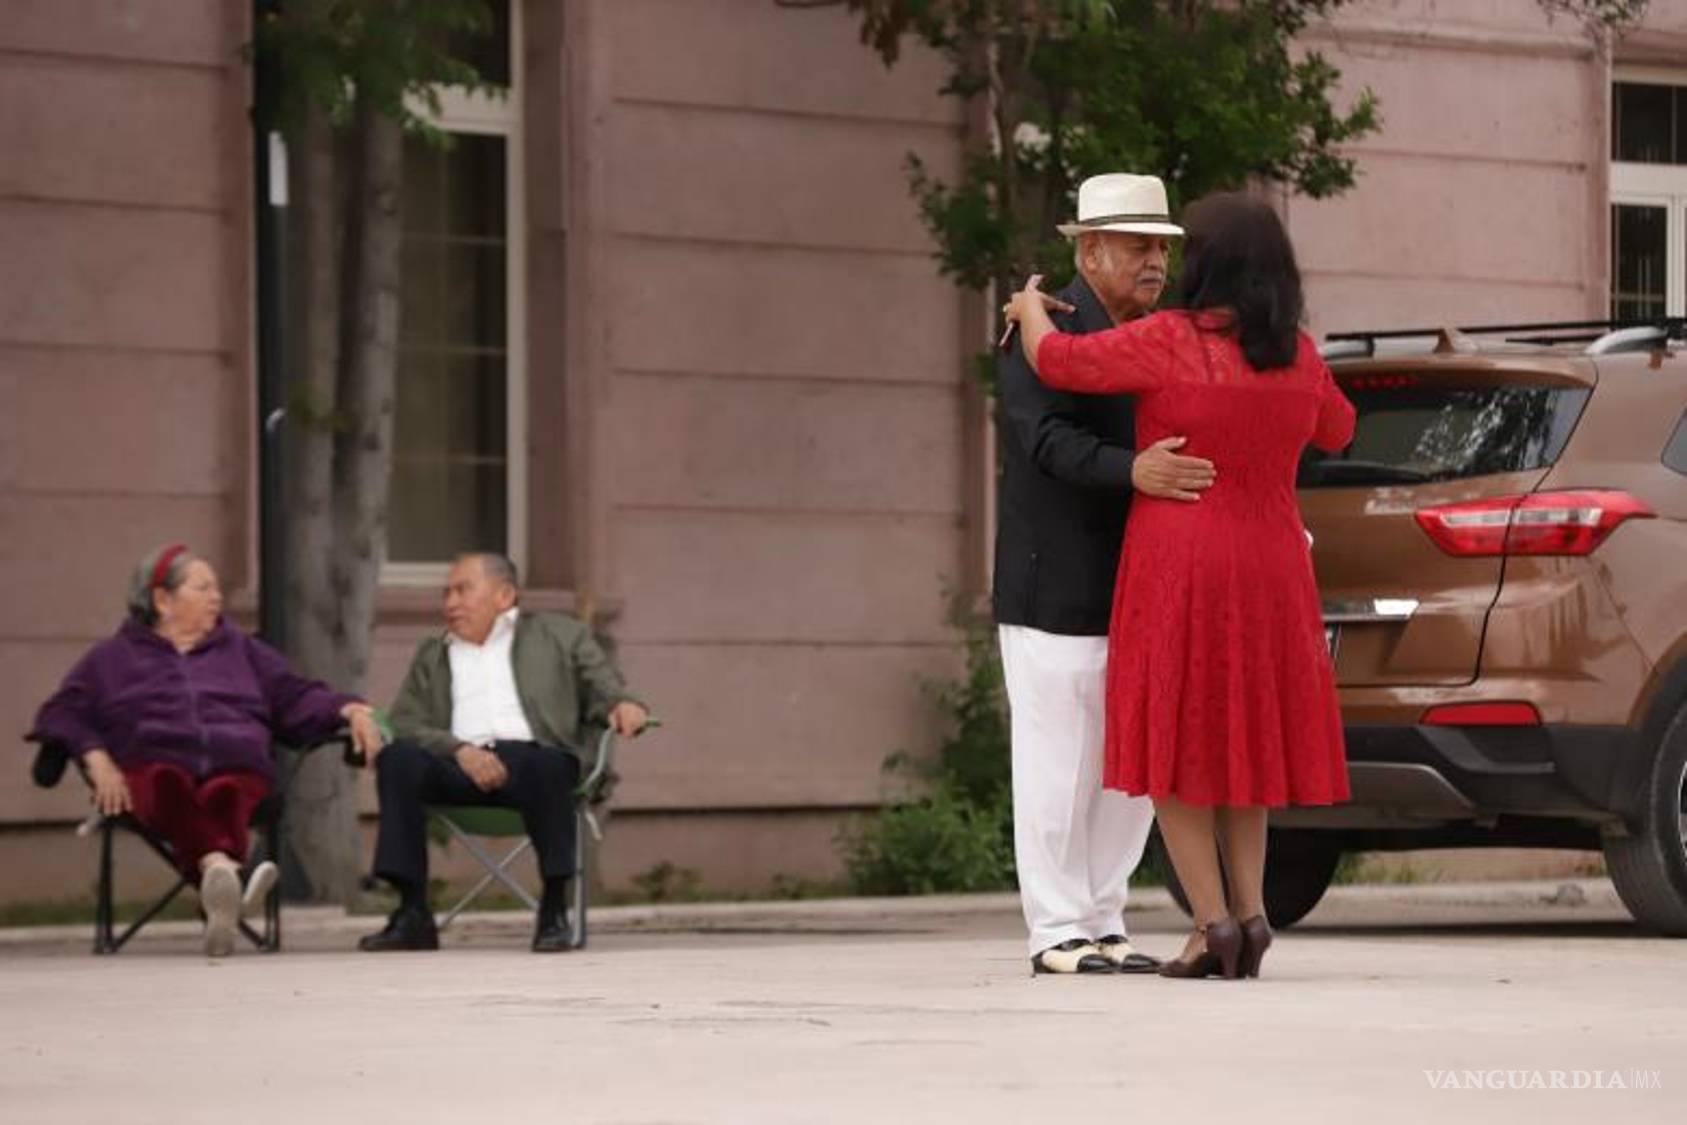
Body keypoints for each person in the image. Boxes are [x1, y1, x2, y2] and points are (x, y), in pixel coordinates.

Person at [1004, 191, 1356, 980]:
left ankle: (1209, 922)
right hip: (1271, 564)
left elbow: (1057, 360)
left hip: (1182, 557)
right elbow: (1338, 429)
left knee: (1171, 744)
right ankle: (1254, 913)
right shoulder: (1296, 352)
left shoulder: (1170, 341)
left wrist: (1029, 307)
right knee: (1246, 746)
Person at [995, 173, 1217, 975]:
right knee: (1057, 765)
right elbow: (1043, 441)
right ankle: (1055, 928)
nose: (1154, 259)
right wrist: (1135, 472)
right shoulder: (1040, 327)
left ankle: (1102, 915)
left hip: (1142, 585)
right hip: (1053, 584)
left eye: (1161, 245)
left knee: (1127, 769)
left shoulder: (1157, 334)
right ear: (1089, 251)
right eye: (1137, 245)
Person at [29, 544, 384, 956]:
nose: (217, 597)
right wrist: (96, 757)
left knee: (227, 793)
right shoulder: (111, 659)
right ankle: (226, 875)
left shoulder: (244, 651)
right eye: (203, 588)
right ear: (162, 599)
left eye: (216, 588)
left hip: (238, 765)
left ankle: (218, 880)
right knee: (167, 784)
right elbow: (61, 713)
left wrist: (349, 708)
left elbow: (295, 696)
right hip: (150, 770)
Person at [357, 553, 650, 953]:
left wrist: (623, 704)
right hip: (456, 763)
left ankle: (553, 910)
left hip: (531, 762)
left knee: (551, 764)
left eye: (463, 590)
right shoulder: (434, 652)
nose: (450, 604)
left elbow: (602, 685)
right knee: (398, 759)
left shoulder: (560, 636)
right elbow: (405, 722)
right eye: (447, 593)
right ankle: (412, 913)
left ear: (504, 595)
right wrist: (460, 750)